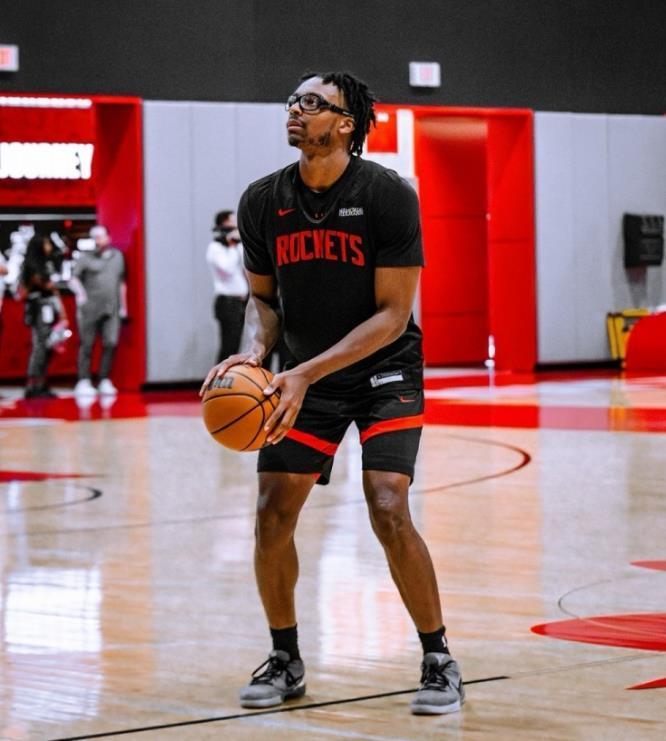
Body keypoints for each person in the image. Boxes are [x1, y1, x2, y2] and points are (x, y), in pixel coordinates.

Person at [202, 71, 464, 716]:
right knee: (272, 511)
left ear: (346, 124)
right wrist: (255, 354)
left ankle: (438, 659)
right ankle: (285, 658)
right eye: (293, 100)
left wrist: (304, 372)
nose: (297, 110)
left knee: (387, 503)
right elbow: (264, 301)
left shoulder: (387, 196)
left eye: (313, 103)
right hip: (303, 376)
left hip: (384, 371)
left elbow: (393, 316)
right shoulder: (262, 201)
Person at [70, 225, 127, 397]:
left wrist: (124, 306)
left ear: (108, 237)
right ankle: (84, 379)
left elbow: (121, 282)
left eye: (100, 236)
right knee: (86, 344)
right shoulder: (85, 258)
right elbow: (73, 279)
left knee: (111, 342)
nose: (97, 240)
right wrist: (81, 294)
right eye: (94, 237)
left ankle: (104, 379)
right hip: (89, 309)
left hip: (111, 308)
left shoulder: (117, 257)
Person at [20, 234, 69, 398]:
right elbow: (26, 289)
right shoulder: (30, 265)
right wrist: (44, 285)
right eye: (46, 243)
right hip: (38, 308)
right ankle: (33, 384)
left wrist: (62, 312)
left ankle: (41, 381)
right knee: (40, 345)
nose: (49, 247)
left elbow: (52, 288)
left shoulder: (47, 264)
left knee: (49, 345)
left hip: (50, 308)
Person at [206, 210, 249, 363]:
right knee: (228, 346)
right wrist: (231, 246)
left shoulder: (237, 247)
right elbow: (227, 269)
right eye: (231, 222)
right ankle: (220, 376)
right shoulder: (215, 248)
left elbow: (246, 265)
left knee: (236, 344)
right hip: (227, 302)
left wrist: (237, 244)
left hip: (240, 302)